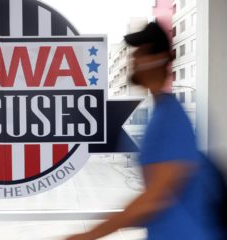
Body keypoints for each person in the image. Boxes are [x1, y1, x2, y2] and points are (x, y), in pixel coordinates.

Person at [66, 22, 223, 240]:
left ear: (161, 58)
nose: (134, 59)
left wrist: (88, 235)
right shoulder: (160, 114)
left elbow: (154, 199)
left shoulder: (171, 119)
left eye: (141, 53)